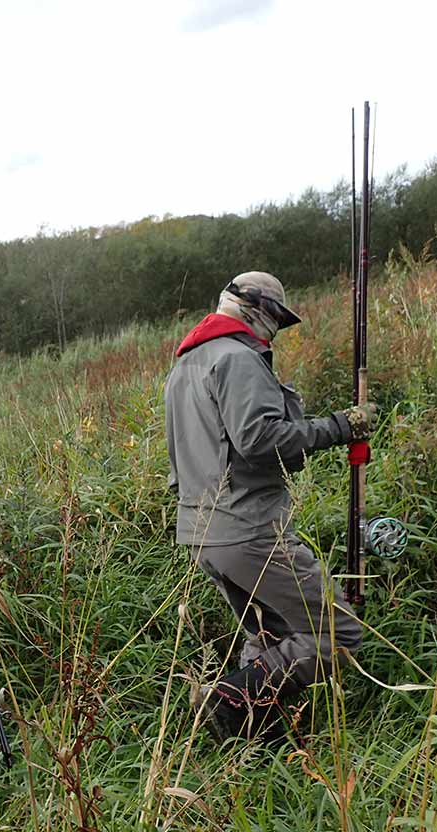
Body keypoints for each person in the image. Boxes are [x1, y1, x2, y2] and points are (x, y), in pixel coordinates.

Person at [164, 272, 376, 741]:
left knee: (267, 636)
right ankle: (229, 700)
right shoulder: (237, 358)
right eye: (276, 318)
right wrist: (342, 427)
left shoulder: (186, 365)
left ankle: (258, 745)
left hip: (203, 535)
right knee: (338, 635)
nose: (275, 330)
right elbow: (259, 439)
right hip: (249, 530)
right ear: (256, 308)